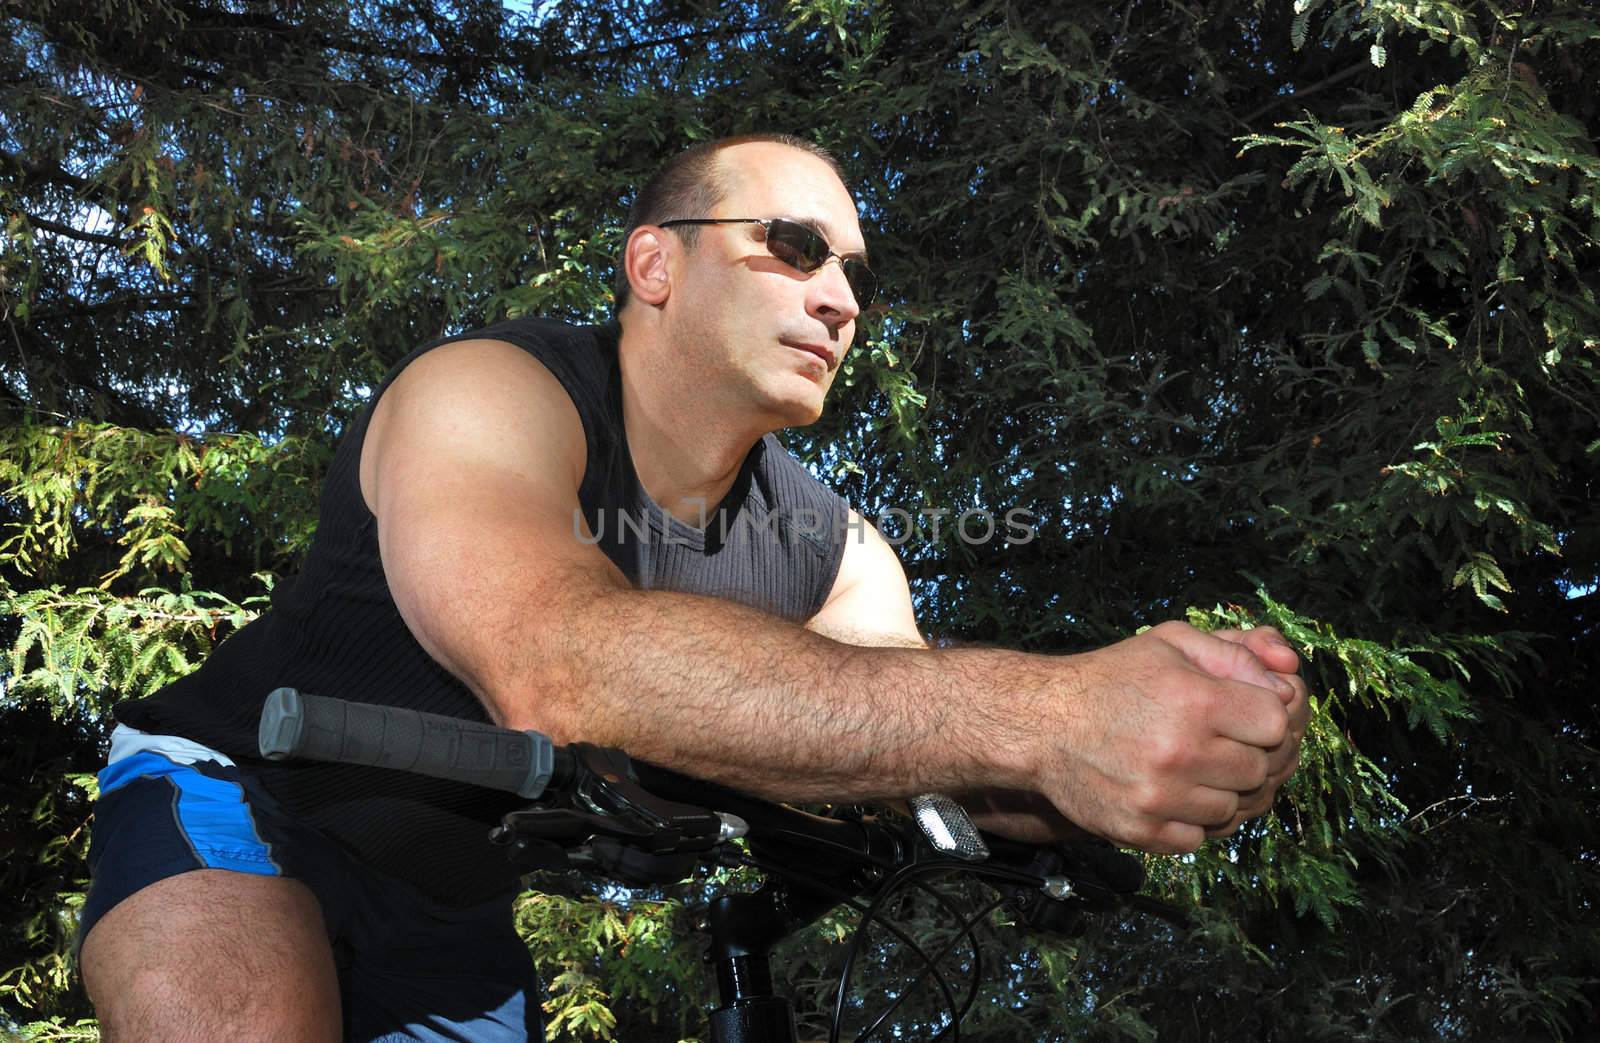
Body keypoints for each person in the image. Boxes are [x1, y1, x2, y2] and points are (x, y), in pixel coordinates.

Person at [77, 133, 1310, 1042]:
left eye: (857, 275)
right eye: (796, 246)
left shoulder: (836, 551)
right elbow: (552, 661)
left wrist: (1150, 744)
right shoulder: (493, 394)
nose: (839, 296)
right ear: (653, 264)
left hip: (451, 899)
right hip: (246, 796)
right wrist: (1049, 718)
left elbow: (913, 738)